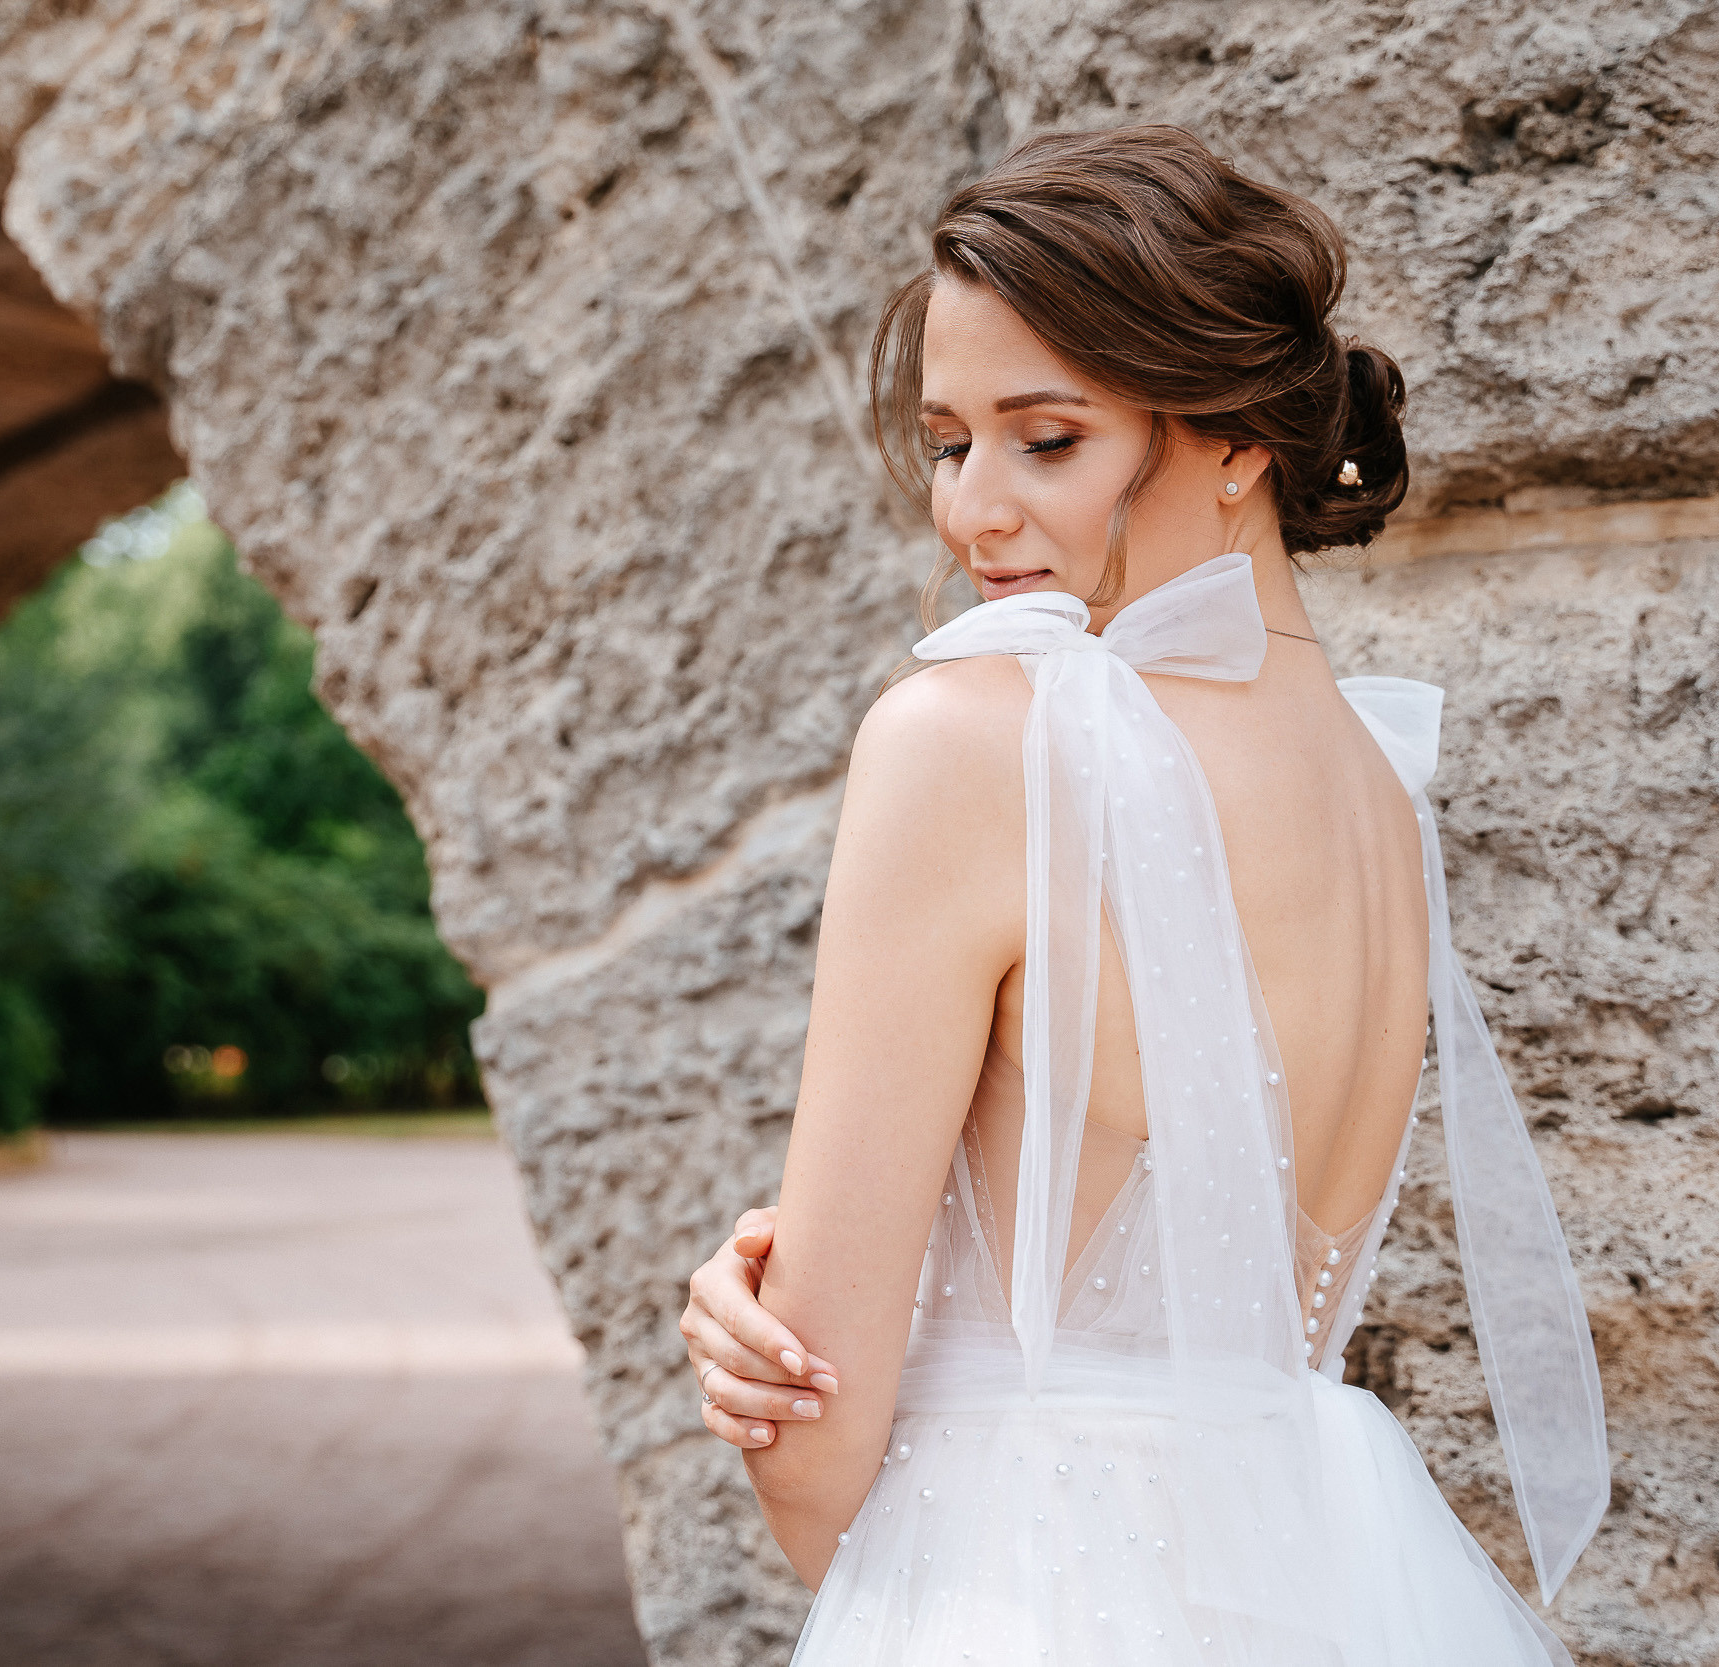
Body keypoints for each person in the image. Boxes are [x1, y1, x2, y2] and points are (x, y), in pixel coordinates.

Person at [676, 125, 1609, 1664]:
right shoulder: (1380, 790)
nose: (971, 511)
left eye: (1047, 441)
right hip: (1330, 1582)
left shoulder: (981, 743)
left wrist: (771, 1358)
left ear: (1239, 440)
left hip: (1019, 1587)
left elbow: (813, 1423)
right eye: (948, 442)